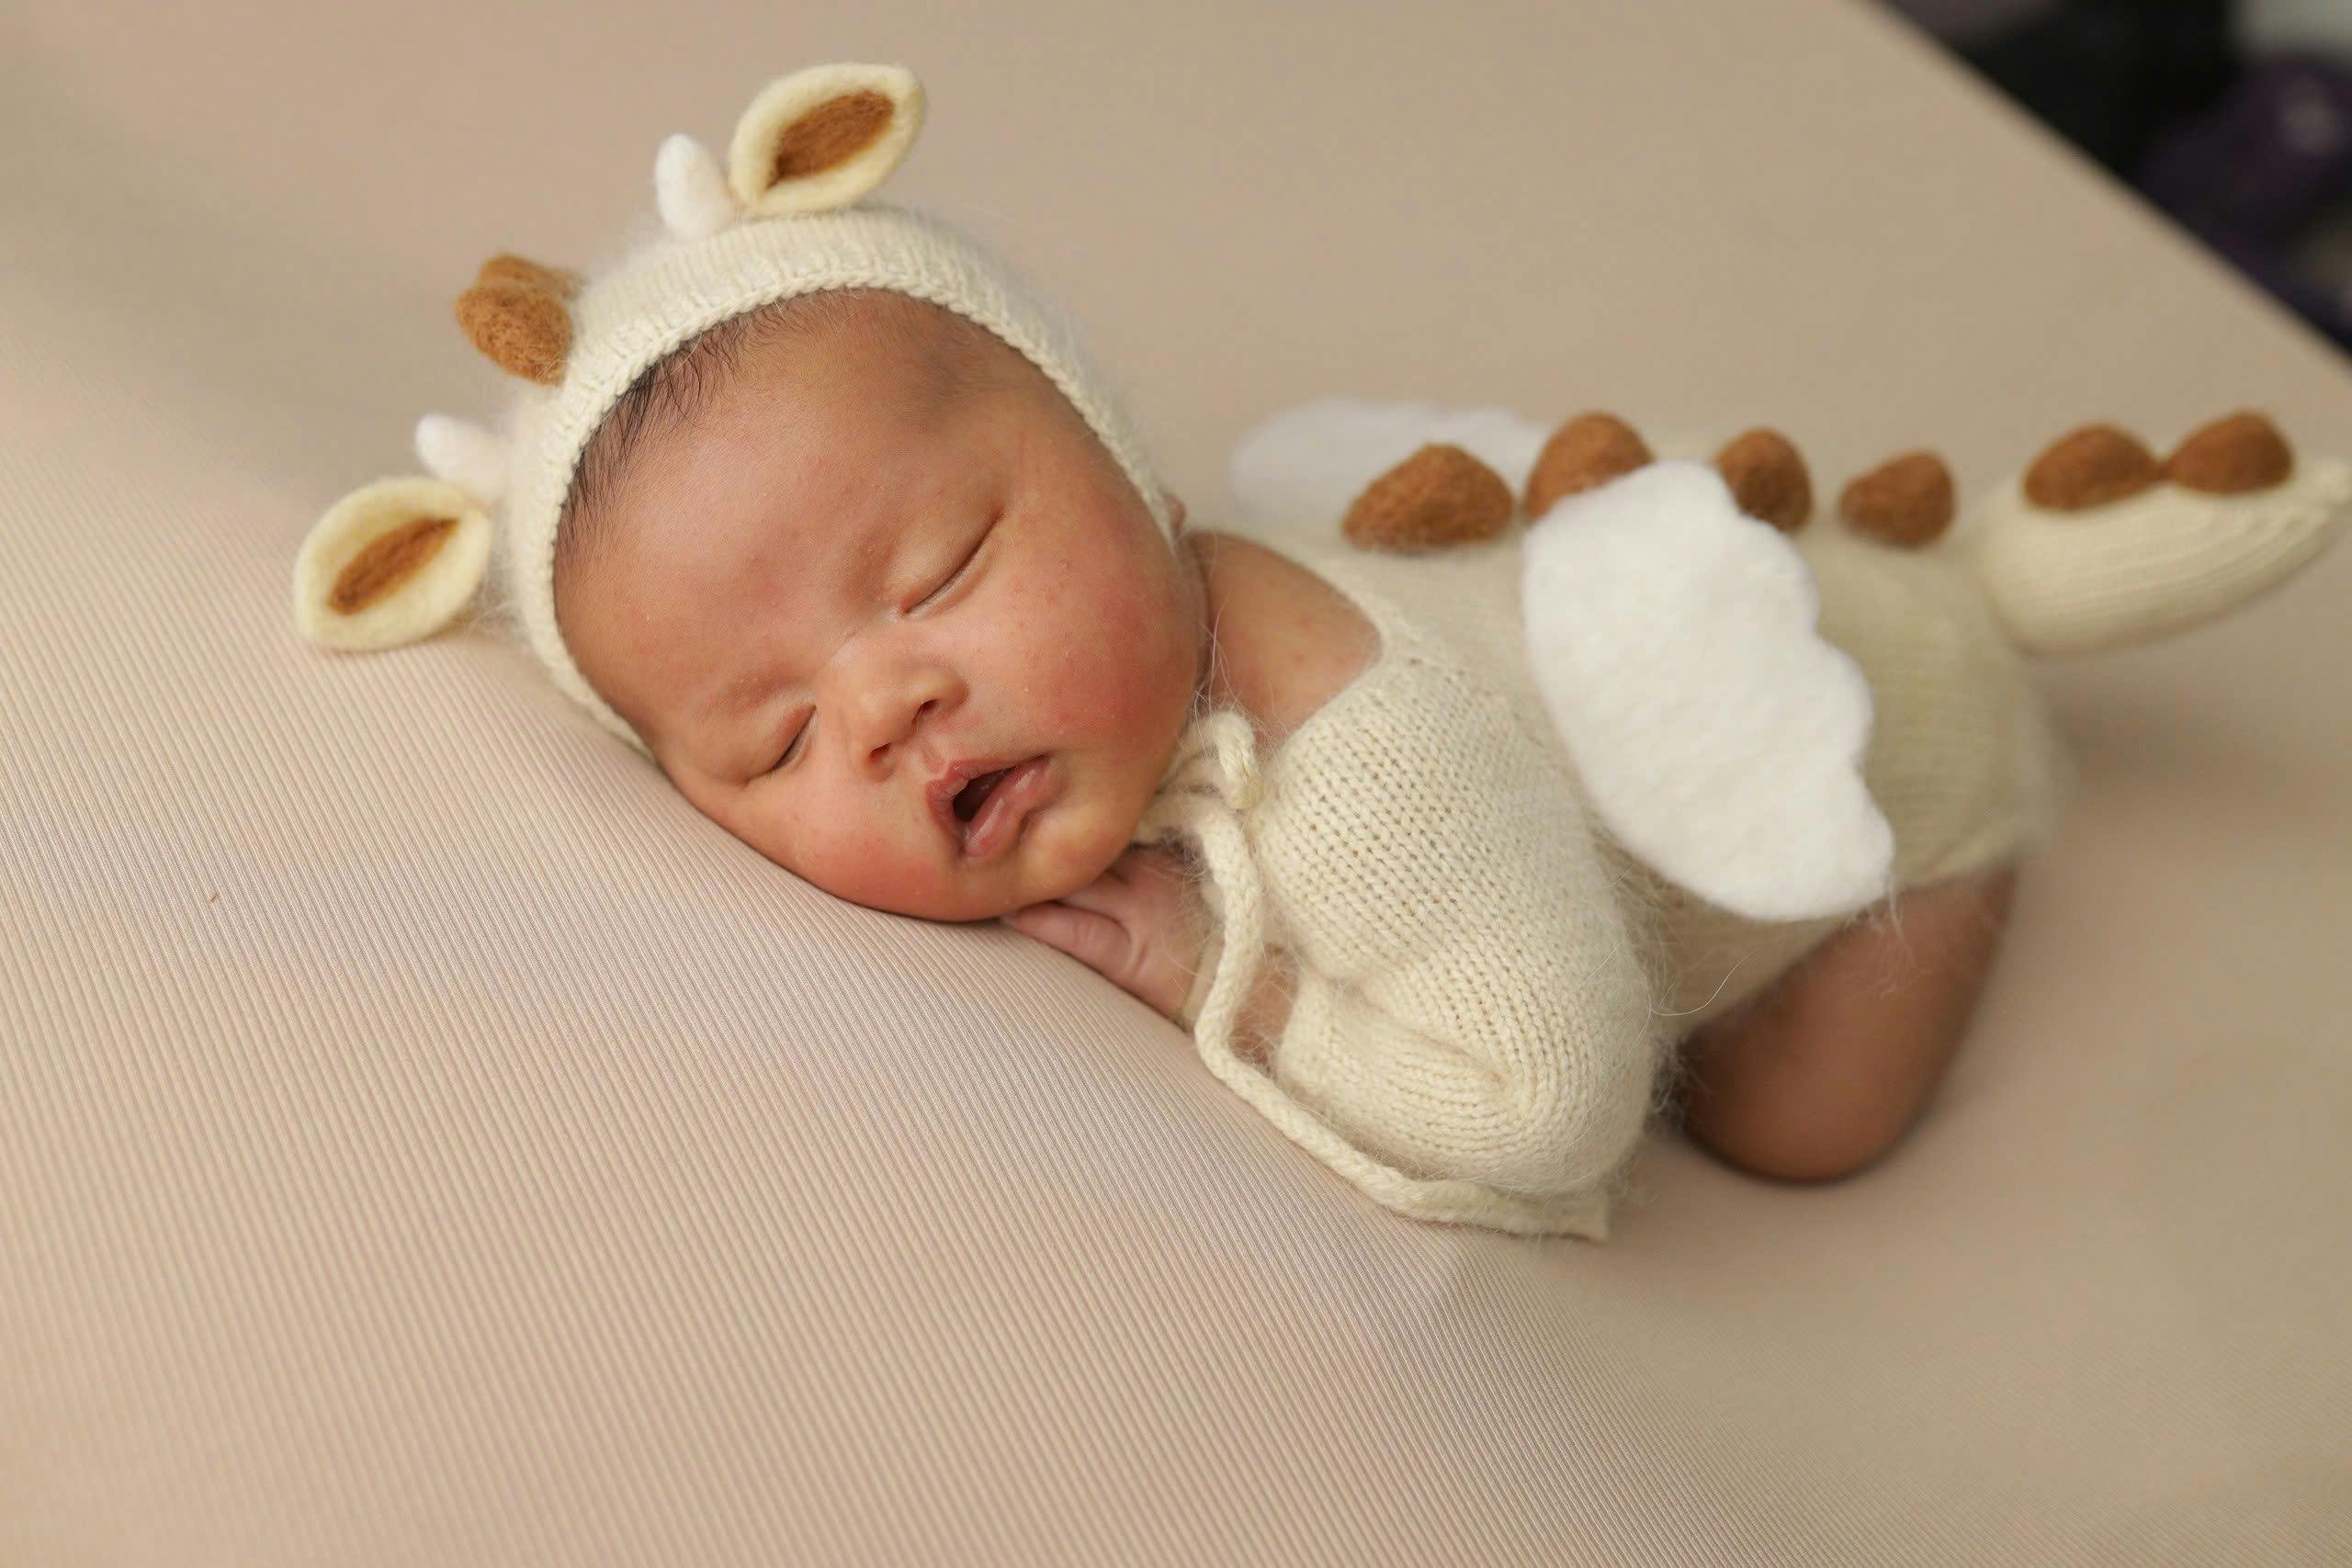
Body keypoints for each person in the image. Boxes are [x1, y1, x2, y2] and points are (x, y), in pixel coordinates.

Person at [292, 62, 2350, 1238]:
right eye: (765, 735)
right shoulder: (1104, 680)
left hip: (1882, 708)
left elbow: (1543, 1105)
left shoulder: (1363, 756)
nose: (886, 698)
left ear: (1123, 468)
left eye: (931, 575)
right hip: (1575, 673)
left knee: (1781, 1128)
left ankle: (2013, 689)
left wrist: (1220, 968)